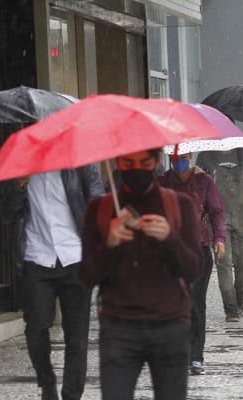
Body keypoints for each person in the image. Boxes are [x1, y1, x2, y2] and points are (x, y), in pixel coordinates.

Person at [80, 149, 204, 400]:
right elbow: (85, 276)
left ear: (157, 162)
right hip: (118, 328)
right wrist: (110, 244)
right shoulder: (100, 209)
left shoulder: (179, 205)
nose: (137, 169)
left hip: (170, 325)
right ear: (117, 163)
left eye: (145, 162)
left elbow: (194, 270)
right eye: (128, 162)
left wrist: (170, 239)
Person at [0, 166, 104, 400]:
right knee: (36, 327)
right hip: (37, 259)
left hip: (75, 257)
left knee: (77, 335)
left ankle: (71, 395)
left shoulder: (82, 167)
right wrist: (17, 188)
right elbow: (5, 215)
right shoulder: (22, 168)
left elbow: (98, 204)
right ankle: (47, 383)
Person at [157, 149, 226, 376]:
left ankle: (196, 357)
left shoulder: (204, 181)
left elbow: (217, 212)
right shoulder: (161, 183)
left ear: (190, 157)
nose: (180, 161)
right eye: (176, 157)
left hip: (198, 250)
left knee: (195, 304)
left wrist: (220, 239)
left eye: (184, 157)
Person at [196, 148, 243, 321]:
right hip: (217, 218)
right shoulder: (204, 156)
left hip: (241, 216)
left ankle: (238, 298)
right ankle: (231, 309)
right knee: (224, 263)